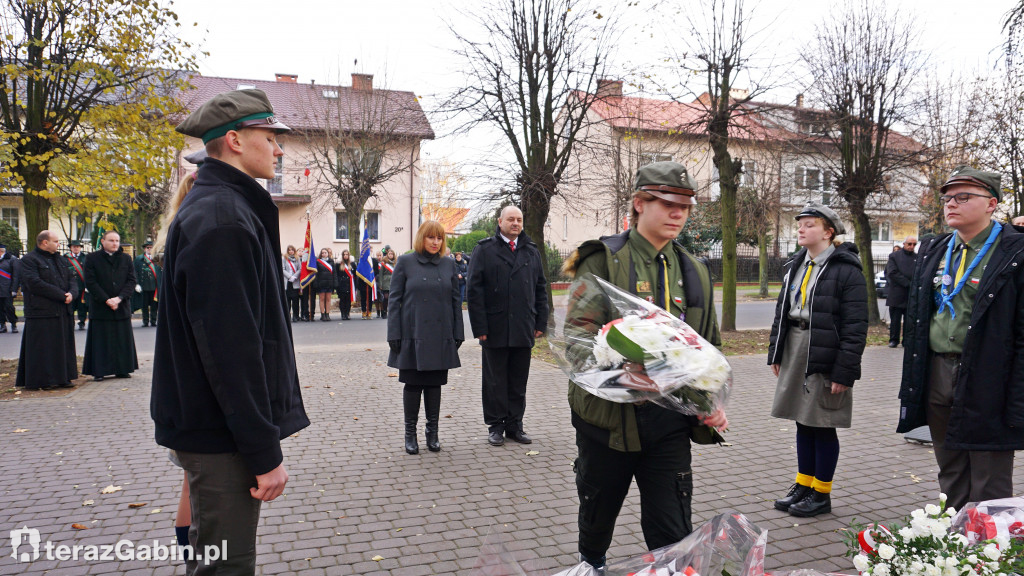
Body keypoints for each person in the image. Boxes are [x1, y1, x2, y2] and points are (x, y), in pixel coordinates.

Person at [151, 88, 309, 575]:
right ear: (236, 140)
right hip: (222, 435)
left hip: (216, 426)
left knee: (210, 553)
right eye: (271, 136)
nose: (279, 149)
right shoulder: (223, 219)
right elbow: (231, 352)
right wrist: (264, 452)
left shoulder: (225, 208)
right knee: (225, 565)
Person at [561, 161, 727, 570]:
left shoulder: (695, 271)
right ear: (638, 203)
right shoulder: (601, 260)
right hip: (608, 420)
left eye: (685, 207)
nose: (678, 214)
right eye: (667, 203)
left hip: (669, 424)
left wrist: (710, 402)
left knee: (672, 528)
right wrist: (620, 378)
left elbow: (708, 346)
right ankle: (591, 563)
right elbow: (578, 338)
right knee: (597, 511)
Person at [897, 166, 1024, 511]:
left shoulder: (1014, 252)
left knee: (989, 476)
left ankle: (988, 555)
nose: (951, 203)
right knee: (949, 467)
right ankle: (951, 544)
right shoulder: (935, 249)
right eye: (948, 197)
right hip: (938, 369)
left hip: (989, 377)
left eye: (964, 196)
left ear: (991, 204)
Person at [767, 202, 868, 518]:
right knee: (802, 420)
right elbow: (781, 312)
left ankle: (821, 493)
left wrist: (845, 370)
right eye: (800, 224)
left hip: (824, 351)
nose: (801, 228)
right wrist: (776, 351)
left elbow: (855, 326)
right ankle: (803, 484)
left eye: (810, 224)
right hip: (795, 348)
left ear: (828, 232)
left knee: (822, 423)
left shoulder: (846, 270)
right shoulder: (797, 264)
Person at [467, 205, 549, 446]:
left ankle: (515, 425)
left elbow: (540, 289)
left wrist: (540, 322)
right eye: (511, 219)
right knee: (494, 380)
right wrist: (480, 327)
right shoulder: (485, 250)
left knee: (518, 380)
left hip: (523, 325)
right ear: (499, 221)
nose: (516, 223)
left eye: (519, 220)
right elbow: (474, 291)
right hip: (495, 326)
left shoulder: (531, 251)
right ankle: (496, 425)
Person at [387, 221, 463, 454]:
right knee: (413, 384)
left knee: (434, 384)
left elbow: (455, 302)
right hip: (412, 334)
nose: (435, 242)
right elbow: (394, 300)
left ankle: (433, 433)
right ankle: (410, 433)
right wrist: (394, 333)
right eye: (431, 238)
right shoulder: (405, 262)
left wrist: (458, 333)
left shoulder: (449, 264)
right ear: (422, 238)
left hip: (440, 335)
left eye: (439, 238)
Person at [15, 230, 76, 390]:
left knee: (62, 347)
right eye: (56, 241)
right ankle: (44, 380)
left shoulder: (61, 260)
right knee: (44, 348)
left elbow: (72, 278)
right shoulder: (29, 260)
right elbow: (34, 283)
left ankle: (63, 377)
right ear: (44, 243)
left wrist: (72, 293)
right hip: (42, 311)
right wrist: (61, 295)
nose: (59, 244)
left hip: (62, 310)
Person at [83, 230, 138, 382]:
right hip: (101, 306)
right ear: (103, 241)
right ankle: (99, 370)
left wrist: (119, 298)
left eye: (117, 241)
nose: (115, 243)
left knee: (122, 340)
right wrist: (107, 300)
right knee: (101, 340)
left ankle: (123, 369)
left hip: (121, 305)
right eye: (111, 240)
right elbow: (90, 282)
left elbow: (131, 281)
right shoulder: (92, 258)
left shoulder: (126, 259)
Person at [884, 236, 917, 347]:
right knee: (895, 320)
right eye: (909, 244)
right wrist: (908, 283)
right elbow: (892, 272)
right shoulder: (894, 256)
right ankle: (894, 339)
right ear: (904, 244)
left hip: (910, 294)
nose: (912, 246)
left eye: (914, 244)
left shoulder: (917, 258)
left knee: (909, 320)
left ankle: (907, 340)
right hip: (897, 293)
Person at [133, 241, 161, 327]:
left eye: (151, 247)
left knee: (154, 305)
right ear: (145, 249)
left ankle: (153, 321)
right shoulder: (139, 259)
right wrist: (136, 284)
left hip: (154, 286)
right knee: (144, 305)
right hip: (143, 286)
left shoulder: (158, 259)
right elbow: (135, 272)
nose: (149, 249)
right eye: (147, 248)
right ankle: (145, 321)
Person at [66, 240, 88, 330]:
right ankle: (70, 322)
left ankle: (82, 322)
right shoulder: (65, 258)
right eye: (74, 246)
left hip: (82, 286)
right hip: (70, 286)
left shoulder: (85, 258)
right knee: (70, 306)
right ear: (71, 248)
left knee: (82, 306)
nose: (76, 248)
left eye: (78, 246)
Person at [0, 244, 20, 333]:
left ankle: (13, 324)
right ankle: (2, 325)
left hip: (8, 288)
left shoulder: (12, 259)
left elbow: (16, 276)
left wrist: (14, 289)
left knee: (9, 307)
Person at [314, 247, 336, 321]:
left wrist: (335, 283)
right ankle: (322, 314)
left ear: (328, 254)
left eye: (325, 253)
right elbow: (316, 274)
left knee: (328, 299)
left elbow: (334, 273)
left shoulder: (331, 261)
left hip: (329, 283)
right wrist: (316, 283)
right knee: (322, 299)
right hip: (321, 283)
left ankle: (327, 314)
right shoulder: (318, 262)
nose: (324, 254)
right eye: (322, 253)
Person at [335, 249, 356, 320]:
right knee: (342, 300)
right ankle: (343, 314)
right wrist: (338, 283)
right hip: (342, 284)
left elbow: (355, 275)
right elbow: (336, 275)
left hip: (350, 284)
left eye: (347, 254)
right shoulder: (339, 264)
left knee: (348, 300)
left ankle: (347, 313)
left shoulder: (352, 264)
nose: (345, 256)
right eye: (344, 254)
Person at [283, 245, 301, 322]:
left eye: (292, 250)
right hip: (287, 282)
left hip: (295, 281)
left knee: (295, 300)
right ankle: (287, 316)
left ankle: (296, 316)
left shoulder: (297, 259)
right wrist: (289, 276)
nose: (291, 251)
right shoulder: (284, 259)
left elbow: (300, 269)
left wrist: (294, 276)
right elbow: (282, 269)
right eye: (289, 250)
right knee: (287, 301)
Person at [378, 248, 395, 319]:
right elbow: (381, 274)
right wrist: (380, 284)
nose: (391, 255)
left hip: (393, 282)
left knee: (392, 298)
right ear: (387, 255)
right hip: (385, 282)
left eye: (392, 254)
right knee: (386, 298)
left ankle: (391, 312)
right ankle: (384, 311)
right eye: (389, 254)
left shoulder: (395, 263)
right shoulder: (384, 264)